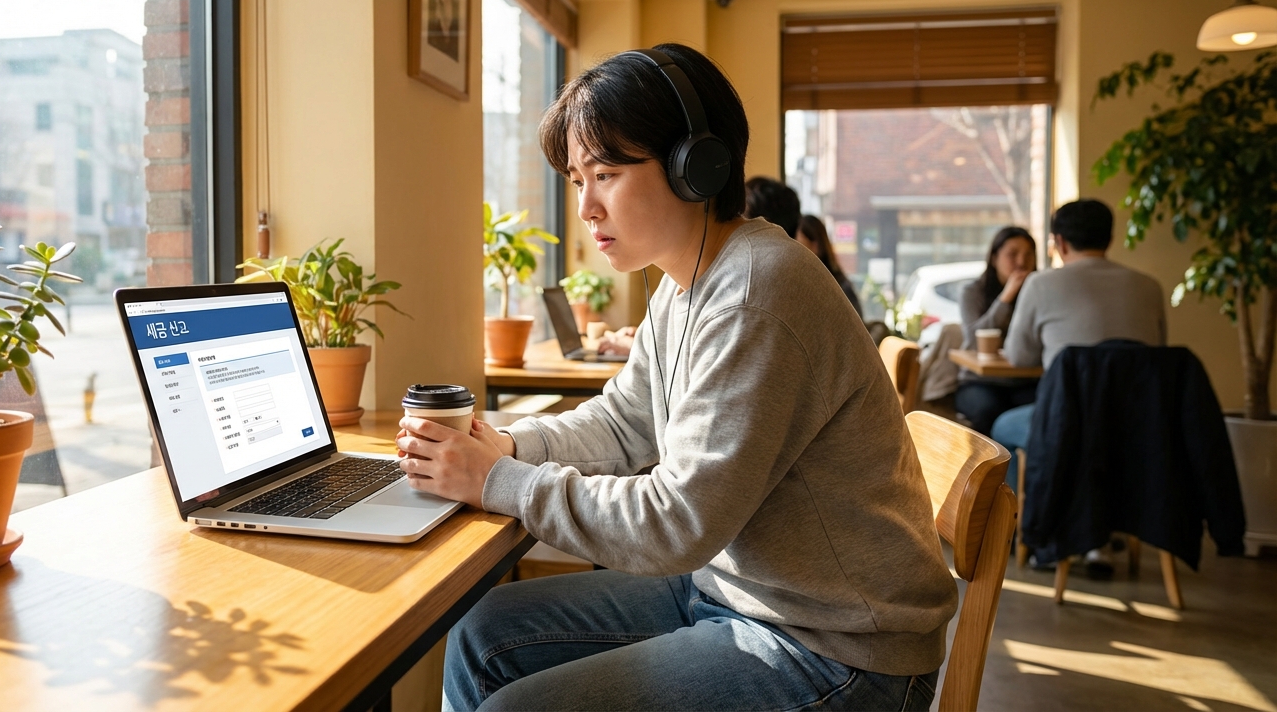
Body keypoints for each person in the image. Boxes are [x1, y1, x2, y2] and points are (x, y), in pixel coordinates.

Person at [394, 43, 956, 711]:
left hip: (837, 648)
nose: (586, 209)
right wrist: (509, 448)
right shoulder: (682, 286)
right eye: (578, 181)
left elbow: (677, 522)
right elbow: (623, 421)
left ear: (696, 166)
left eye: (605, 173)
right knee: (484, 633)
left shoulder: (757, 293)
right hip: (735, 592)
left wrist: (496, 482)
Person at [989, 199, 1166, 573]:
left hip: (1067, 422)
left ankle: (1035, 532)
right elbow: (1158, 356)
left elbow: (1020, 357)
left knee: (1004, 426)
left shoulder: (1041, 284)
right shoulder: (1149, 287)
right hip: (1138, 427)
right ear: (1111, 238)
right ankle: (1098, 538)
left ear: (1059, 243)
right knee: (1097, 436)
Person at [954, 227, 1038, 437]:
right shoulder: (972, 292)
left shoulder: (1039, 292)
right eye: (1013, 254)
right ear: (994, 258)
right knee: (988, 410)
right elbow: (974, 341)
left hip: (1025, 380)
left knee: (1050, 409)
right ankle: (990, 470)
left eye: (1028, 254)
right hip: (979, 381)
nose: (1022, 261)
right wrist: (1006, 298)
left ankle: (1027, 469)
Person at [796, 214, 863, 316]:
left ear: (815, 245)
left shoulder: (836, 289)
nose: (794, 254)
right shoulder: (837, 283)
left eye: (799, 245)